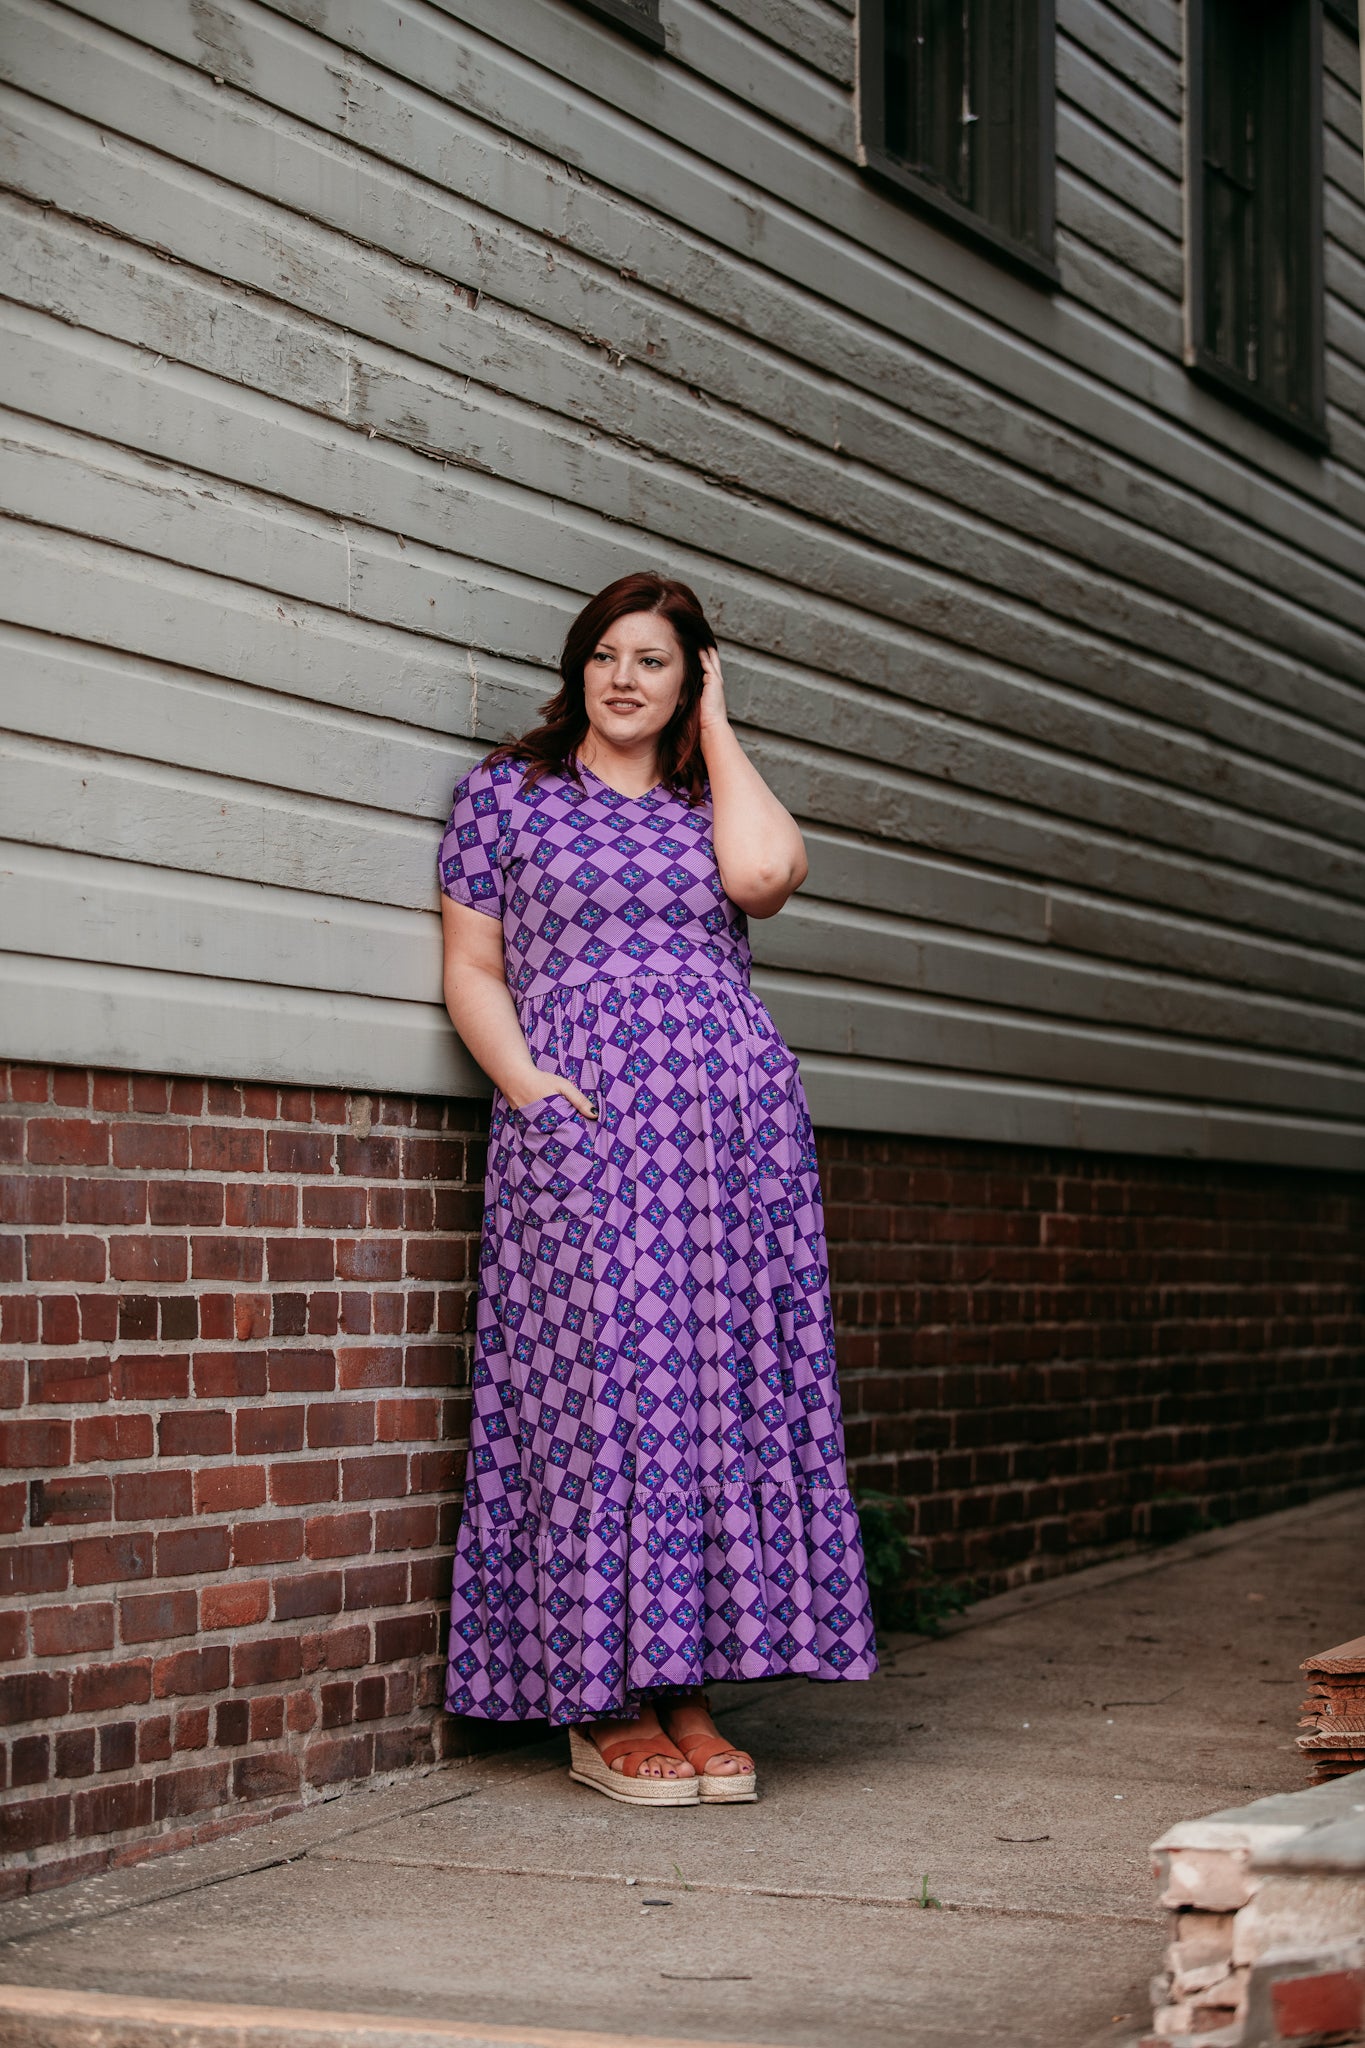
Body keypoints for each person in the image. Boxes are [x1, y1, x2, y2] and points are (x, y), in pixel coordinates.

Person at [436, 570, 877, 1806]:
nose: (625, 678)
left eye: (657, 662)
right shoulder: (508, 794)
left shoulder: (705, 800)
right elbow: (472, 964)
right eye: (607, 655)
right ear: (577, 667)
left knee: (706, 1394)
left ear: (691, 680)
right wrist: (528, 1087)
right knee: (603, 1389)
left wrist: (721, 730)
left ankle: (685, 1687)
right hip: (582, 1123)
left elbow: (768, 876)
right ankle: (601, 1696)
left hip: (729, 1138)